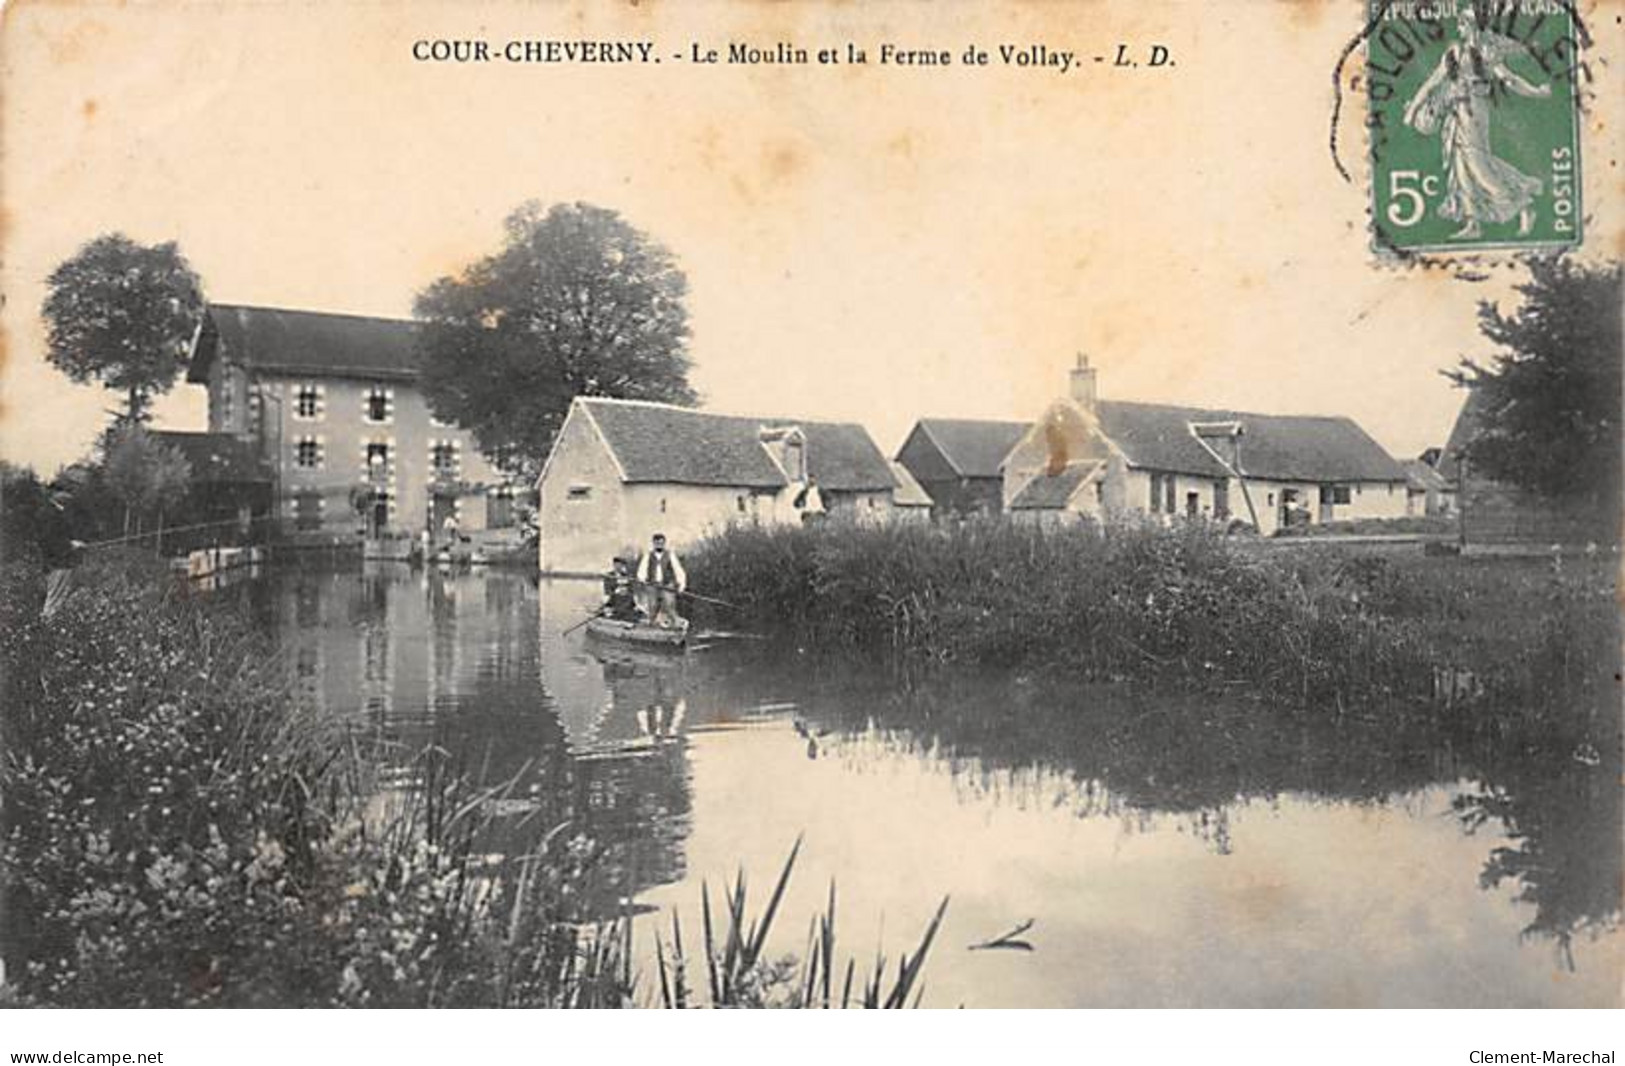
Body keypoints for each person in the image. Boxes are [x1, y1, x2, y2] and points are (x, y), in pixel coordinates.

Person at [1403, 14, 1551, 240]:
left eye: (1464, 24)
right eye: (1460, 23)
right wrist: (1413, 109)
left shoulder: (1487, 54)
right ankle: (1473, 224)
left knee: (1479, 165)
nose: (1460, 27)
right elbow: (1432, 83)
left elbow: (1509, 80)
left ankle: (1523, 207)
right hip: (1455, 113)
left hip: (1475, 114)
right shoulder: (1453, 53)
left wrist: (1536, 92)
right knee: (1461, 167)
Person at [636, 533, 687, 628]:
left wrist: (681, 584)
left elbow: (678, 570)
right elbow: (642, 570)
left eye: (661, 543)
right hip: (652, 585)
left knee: (669, 605)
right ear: (653, 544)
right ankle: (652, 627)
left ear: (664, 543)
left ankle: (676, 626)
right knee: (652, 606)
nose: (659, 545)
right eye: (657, 543)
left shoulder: (670, 555)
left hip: (667, 585)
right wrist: (642, 579)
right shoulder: (648, 555)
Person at [601, 556, 639, 621]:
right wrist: (616, 591)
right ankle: (613, 613)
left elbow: (632, 589)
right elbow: (607, 591)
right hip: (614, 599)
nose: (618, 566)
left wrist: (627, 590)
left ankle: (627, 614)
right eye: (616, 564)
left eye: (620, 565)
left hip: (626, 600)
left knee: (629, 598)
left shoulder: (626, 576)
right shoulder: (609, 576)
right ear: (614, 565)